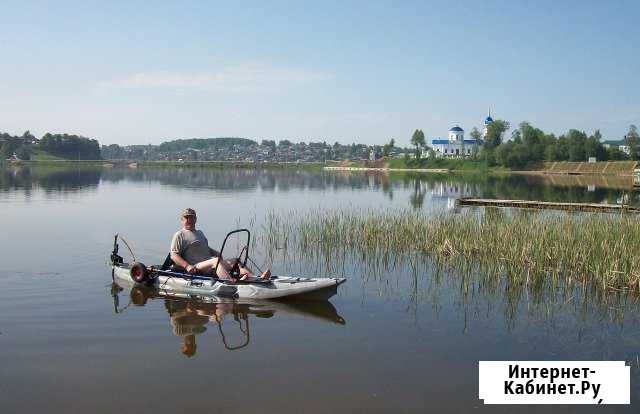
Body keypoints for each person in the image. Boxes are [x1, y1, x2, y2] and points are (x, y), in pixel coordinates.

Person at [169, 208, 271, 281]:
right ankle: (229, 282)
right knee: (215, 261)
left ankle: (256, 279)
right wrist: (187, 266)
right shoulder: (179, 235)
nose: (189, 220)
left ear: (196, 219)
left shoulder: (199, 233)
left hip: (210, 263)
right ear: (182, 220)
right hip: (197, 267)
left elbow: (205, 247)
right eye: (186, 218)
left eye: (191, 218)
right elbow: (174, 255)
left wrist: (215, 252)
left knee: (235, 260)